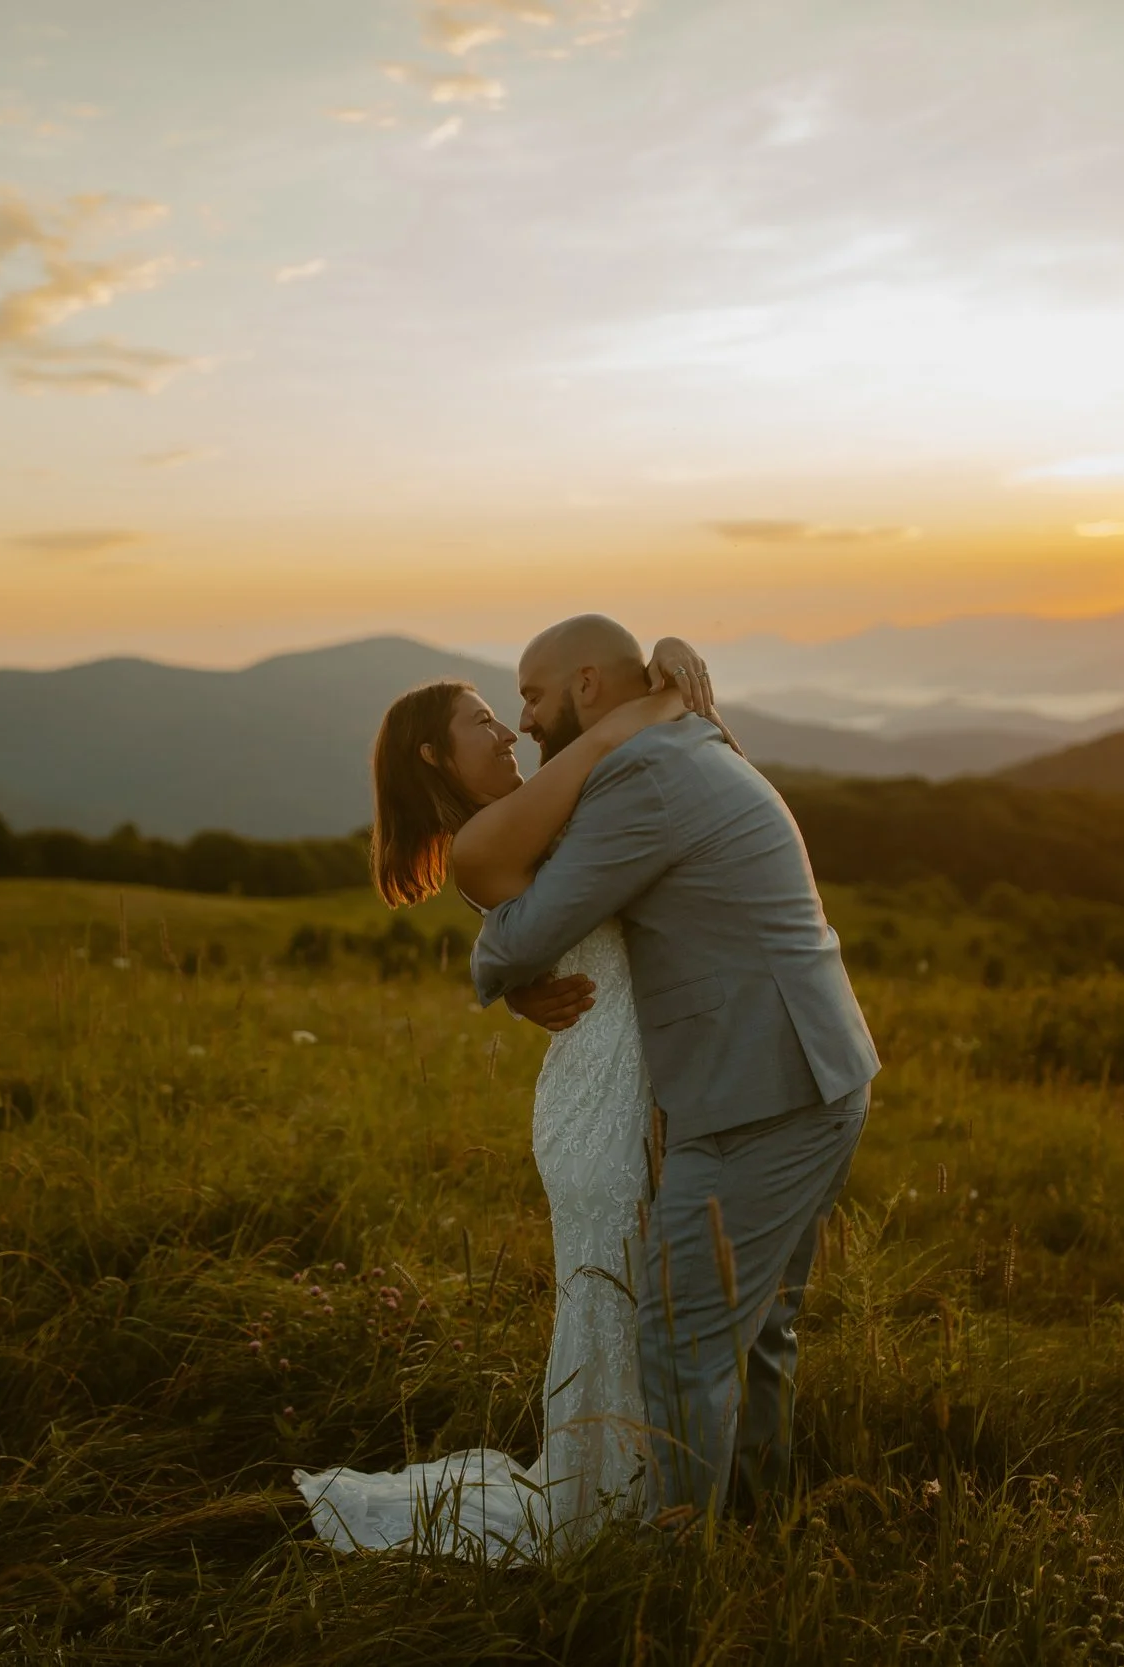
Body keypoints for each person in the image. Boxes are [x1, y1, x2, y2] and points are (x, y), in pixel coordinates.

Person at [292, 633, 716, 1558]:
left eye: (504, 712)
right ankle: (615, 1507)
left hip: (618, 1080)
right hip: (600, 1101)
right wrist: (667, 687)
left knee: (633, 1301)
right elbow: (603, 748)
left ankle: (640, 1494)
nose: (508, 732)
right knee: (615, 1301)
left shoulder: (521, 817)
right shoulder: (495, 835)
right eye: (482, 721)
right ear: (434, 756)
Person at [471, 614, 878, 1528]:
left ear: (586, 684)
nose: (523, 720)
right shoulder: (687, 738)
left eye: (532, 695)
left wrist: (493, 967)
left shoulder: (641, 776)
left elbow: (525, 932)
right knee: (758, 1331)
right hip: (819, 1072)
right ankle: (755, 1529)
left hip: (762, 1094)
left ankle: (682, 1563)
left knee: (680, 1332)